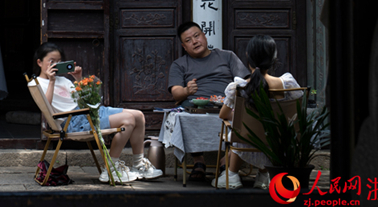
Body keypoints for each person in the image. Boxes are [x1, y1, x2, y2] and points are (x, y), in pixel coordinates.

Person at [33, 42, 163, 183]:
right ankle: (110, 169)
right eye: (52, 61)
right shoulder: (36, 83)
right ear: (40, 62)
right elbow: (45, 107)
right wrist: (51, 81)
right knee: (129, 119)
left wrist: (78, 79)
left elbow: (84, 100)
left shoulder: (63, 80)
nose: (56, 65)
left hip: (87, 112)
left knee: (139, 115)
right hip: (72, 122)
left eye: (59, 62)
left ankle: (138, 165)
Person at [212, 34, 304, 190]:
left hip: (245, 141)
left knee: (241, 127)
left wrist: (248, 117)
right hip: (278, 141)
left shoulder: (238, 87)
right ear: (273, 58)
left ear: (248, 56)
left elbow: (224, 115)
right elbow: (294, 111)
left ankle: (232, 175)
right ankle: (263, 175)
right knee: (266, 130)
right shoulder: (287, 84)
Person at [167, 21, 250, 180]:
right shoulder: (180, 64)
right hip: (196, 106)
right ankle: (199, 161)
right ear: (184, 47)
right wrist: (186, 90)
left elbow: (245, 81)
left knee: (242, 113)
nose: (195, 41)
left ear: (204, 36)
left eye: (196, 36)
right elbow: (176, 93)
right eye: (188, 40)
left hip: (226, 104)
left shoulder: (227, 56)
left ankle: (227, 158)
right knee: (185, 116)